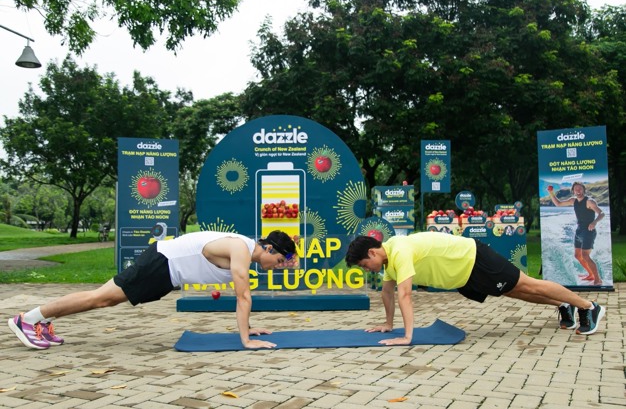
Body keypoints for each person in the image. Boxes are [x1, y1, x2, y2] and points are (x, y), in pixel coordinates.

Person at [8, 230, 297, 350]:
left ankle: (41, 320)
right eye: (279, 261)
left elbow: (243, 296)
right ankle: (28, 319)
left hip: (164, 271)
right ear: (269, 249)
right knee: (101, 299)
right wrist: (246, 340)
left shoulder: (244, 248)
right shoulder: (241, 249)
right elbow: (243, 296)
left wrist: (248, 327)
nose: (279, 267)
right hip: (161, 264)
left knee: (103, 299)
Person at [345, 232, 606, 345]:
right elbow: (387, 292)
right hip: (466, 276)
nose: (367, 269)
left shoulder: (399, 249)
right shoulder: (389, 260)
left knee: (527, 283)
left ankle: (589, 307)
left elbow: (404, 294)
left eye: (365, 265)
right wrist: (388, 324)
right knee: (514, 291)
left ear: (372, 252)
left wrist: (407, 336)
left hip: (475, 259)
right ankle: (564, 304)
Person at [547, 182, 605, 285]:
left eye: (580, 188)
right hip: (579, 231)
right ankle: (591, 274)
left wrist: (594, 222)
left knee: (585, 255)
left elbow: (602, 213)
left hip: (588, 232)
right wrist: (551, 193)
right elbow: (558, 204)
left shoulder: (589, 201)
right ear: (573, 191)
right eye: (576, 189)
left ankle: (598, 279)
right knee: (577, 255)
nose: (578, 190)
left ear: (583, 190)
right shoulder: (573, 201)